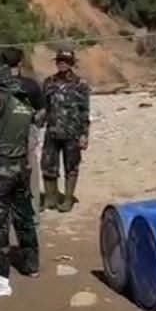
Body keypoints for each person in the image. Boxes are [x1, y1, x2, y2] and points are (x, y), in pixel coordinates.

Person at [0, 65, 40, 297]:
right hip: (21, 165)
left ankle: (1, 277)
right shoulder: (24, 100)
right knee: (24, 216)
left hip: (1, 165)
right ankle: (31, 265)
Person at [42, 48, 92, 212]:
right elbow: (44, 107)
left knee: (71, 167)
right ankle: (51, 198)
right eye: (60, 61)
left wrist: (84, 134)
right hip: (52, 131)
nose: (62, 64)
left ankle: (68, 199)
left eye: (66, 61)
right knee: (48, 165)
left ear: (71, 64)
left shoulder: (80, 84)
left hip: (72, 132)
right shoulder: (48, 82)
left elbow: (84, 111)